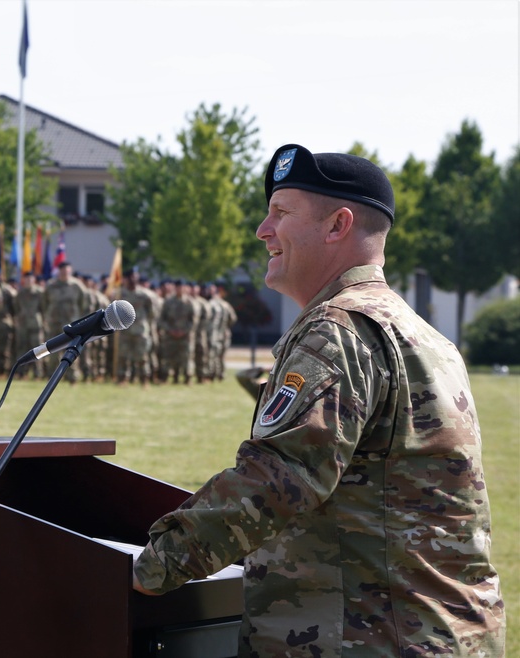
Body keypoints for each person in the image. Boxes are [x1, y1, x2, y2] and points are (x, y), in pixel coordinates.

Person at [132, 144, 505, 656]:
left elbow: (279, 479)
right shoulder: (423, 335)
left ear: (337, 226)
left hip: (368, 638)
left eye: (281, 213)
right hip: (438, 635)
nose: (263, 230)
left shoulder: (338, 330)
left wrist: (150, 566)